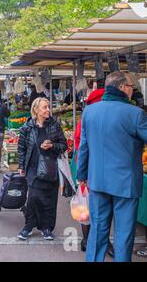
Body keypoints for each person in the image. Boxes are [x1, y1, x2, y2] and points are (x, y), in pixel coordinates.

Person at [76, 71, 147, 262]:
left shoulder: (90, 111)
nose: (133, 90)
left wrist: (82, 175)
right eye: (132, 86)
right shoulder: (136, 114)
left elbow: (84, 147)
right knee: (123, 235)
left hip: (97, 181)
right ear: (123, 88)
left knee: (98, 230)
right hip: (126, 184)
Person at [70, 88, 115, 257]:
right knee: (92, 206)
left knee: (89, 207)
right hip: (91, 168)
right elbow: (80, 144)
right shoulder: (91, 117)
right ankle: (91, 240)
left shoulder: (88, 115)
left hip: (91, 167)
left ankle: (91, 240)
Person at [17, 97, 67, 241]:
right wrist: (21, 166)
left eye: (48, 107)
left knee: (50, 199)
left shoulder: (54, 125)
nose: (48, 110)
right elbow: (21, 148)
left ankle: (47, 228)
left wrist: (52, 145)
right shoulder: (27, 127)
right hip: (33, 168)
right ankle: (28, 226)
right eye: (44, 107)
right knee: (33, 198)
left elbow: (64, 145)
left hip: (50, 167)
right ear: (36, 110)